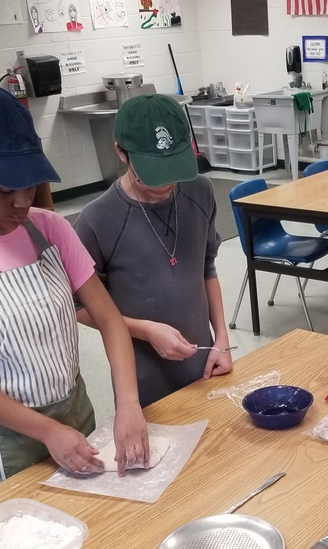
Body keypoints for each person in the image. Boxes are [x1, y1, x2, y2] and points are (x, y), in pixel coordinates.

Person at [0, 86, 149, 503]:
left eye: (30, 185)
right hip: (0, 449)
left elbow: (109, 319)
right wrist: (47, 431)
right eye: (4, 190)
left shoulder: (50, 229)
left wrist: (128, 403)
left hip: (76, 424)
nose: (22, 202)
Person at [74, 93, 233, 407]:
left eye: (173, 166)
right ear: (121, 152)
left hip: (203, 365)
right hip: (143, 380)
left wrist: (222, 340)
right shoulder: (97, 221)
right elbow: (80, 306)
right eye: (152, 171)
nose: (166, 182)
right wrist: (144, 330)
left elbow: (207, 267)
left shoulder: (200, 192)